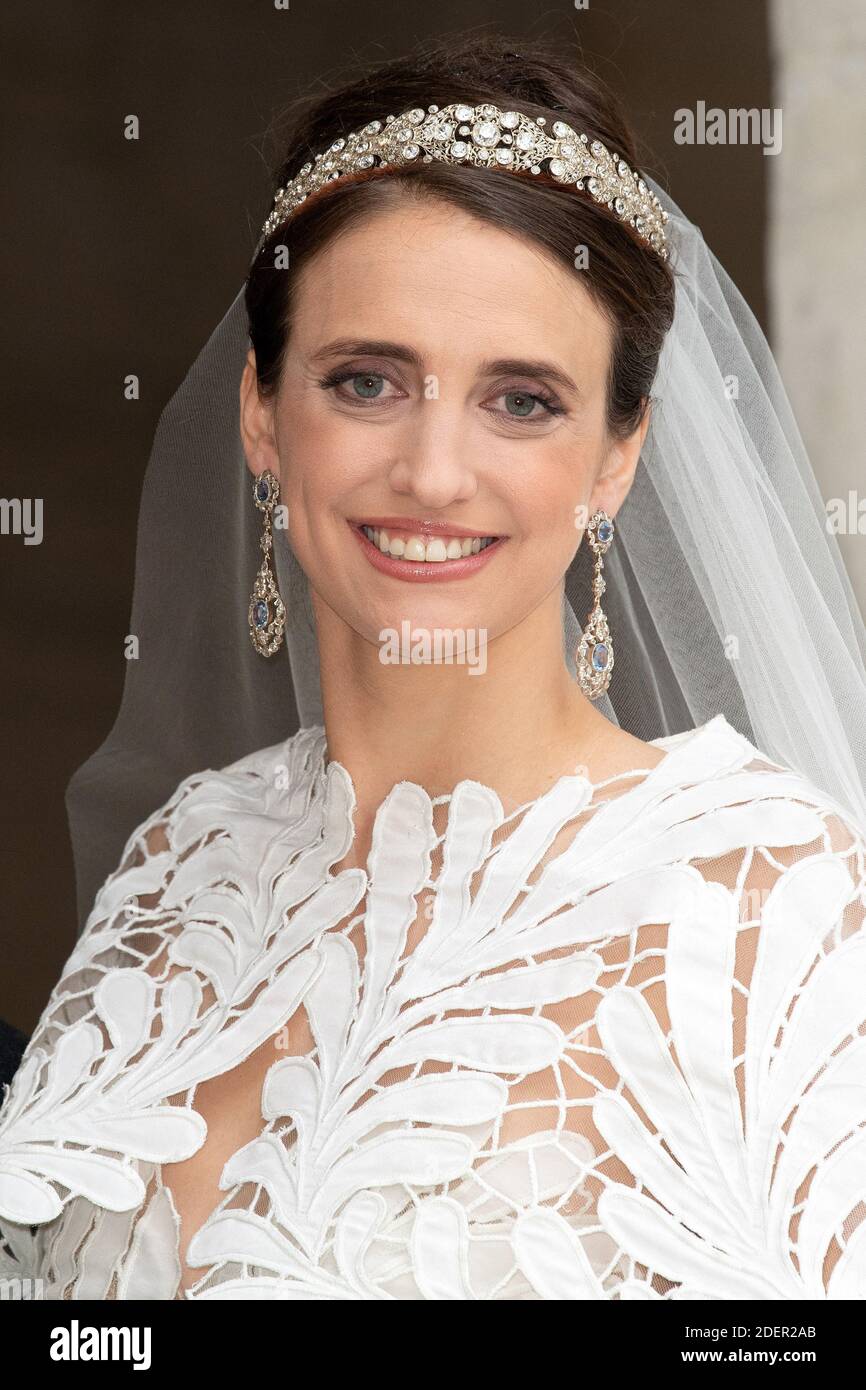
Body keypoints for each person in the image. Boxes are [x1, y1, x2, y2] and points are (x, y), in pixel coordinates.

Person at [2, 34, 866, 1301]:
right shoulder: (186, 857)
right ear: (261, 412)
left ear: (617, 457)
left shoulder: (768, 907)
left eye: (520, 400)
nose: (431, 472)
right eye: (365, 381)